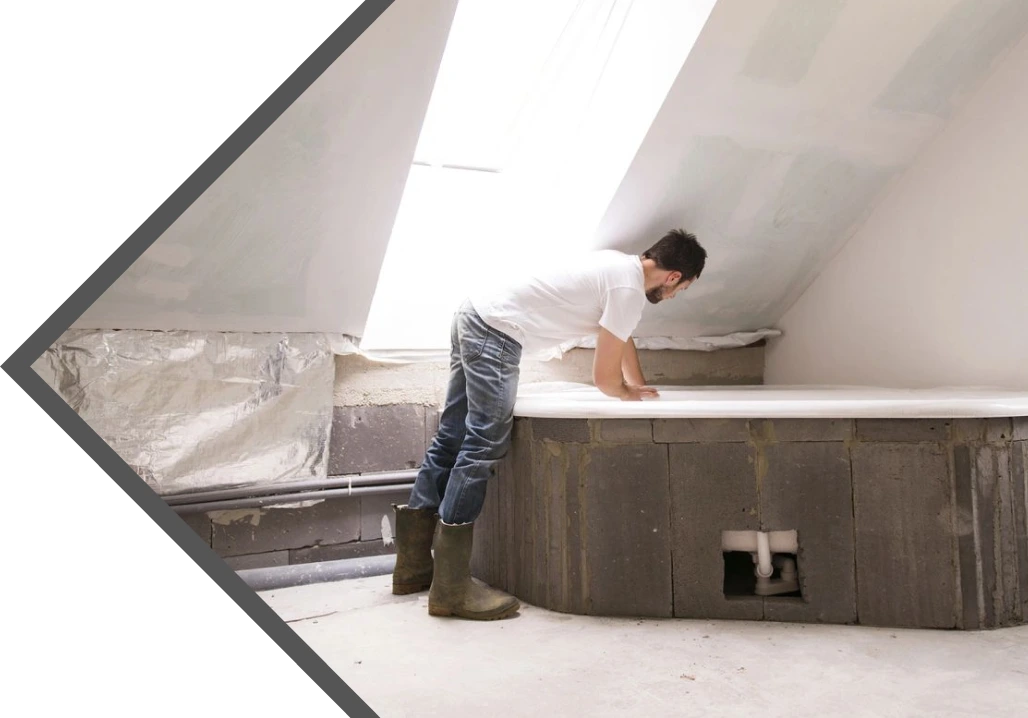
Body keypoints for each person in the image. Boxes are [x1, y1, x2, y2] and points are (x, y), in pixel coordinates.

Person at [391, 229, 707, 620]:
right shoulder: (628, 291)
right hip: (498, 331)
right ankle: (451, 588)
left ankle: (412, 569)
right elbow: (605, 381)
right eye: (681, 289)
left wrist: (638, 386)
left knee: (452, 437)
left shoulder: (614, 266)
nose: (675, 296)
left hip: (473, 313)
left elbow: (621, 339)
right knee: (482, 445)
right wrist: (624, 393)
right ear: (673, 276)